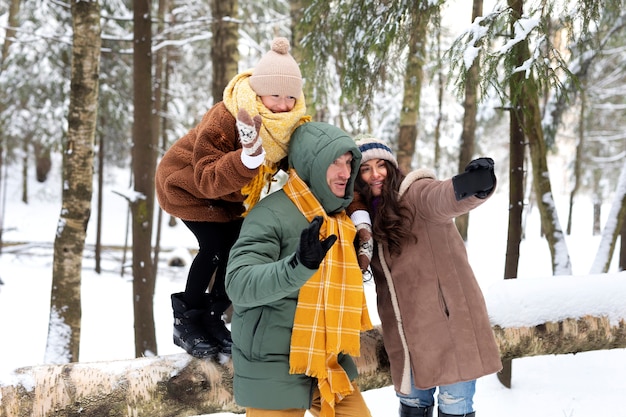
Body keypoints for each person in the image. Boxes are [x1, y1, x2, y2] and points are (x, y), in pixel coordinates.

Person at [155, 37, 310, 358]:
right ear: (258, 92)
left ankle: (213, 318)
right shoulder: (227, 116)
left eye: (290, 97)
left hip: (228, 198)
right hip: (187, 186)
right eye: (275, 96)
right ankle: (185, 322)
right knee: (214, 246)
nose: (282, 104)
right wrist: (247, 160)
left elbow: (290, 159)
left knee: (239, 247)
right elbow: (207, 178)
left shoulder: (286, 123)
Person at [225, 122, 374, 417]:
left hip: (329, 361)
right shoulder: (269, 214)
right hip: (273, 365)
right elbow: (238, 284)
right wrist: (298, 266)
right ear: (310, 164)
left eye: (348, 162)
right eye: (334, 162)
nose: (345, 173)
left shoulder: (342, 220)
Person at [352, 135, 502, 417]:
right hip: (406, 341)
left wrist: (476, 184)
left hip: (449, 330)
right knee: (412, 408)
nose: (375, 175)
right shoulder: (364, 220)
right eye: (365, 168)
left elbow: (444, 197)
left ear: (393, 168)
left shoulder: (416, 196)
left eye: (381, 165)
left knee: (454, 408)